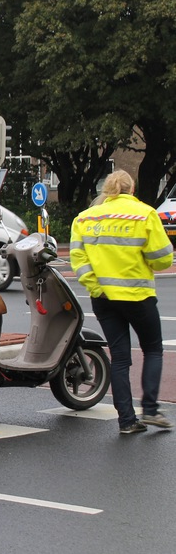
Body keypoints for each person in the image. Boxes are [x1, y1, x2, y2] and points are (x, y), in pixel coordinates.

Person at [70, 170, 174, 435]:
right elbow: (163, 258)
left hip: (103, 299)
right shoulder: (145, 214)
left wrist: (97, 287)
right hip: (138, 297)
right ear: (132, 188)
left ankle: (127, 420)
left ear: (106, 190)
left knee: (119, 357)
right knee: (152, 349)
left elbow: (78, 261)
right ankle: (150, 409)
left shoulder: (84, 218)